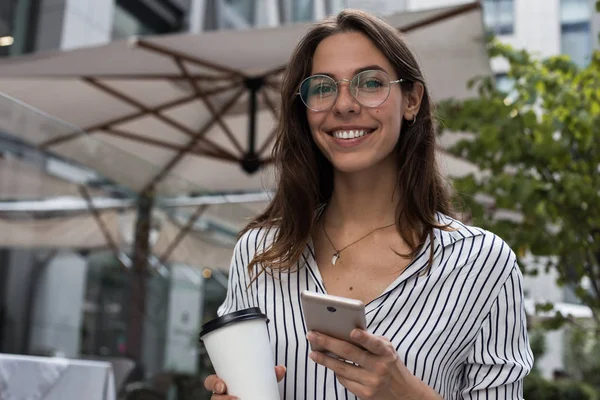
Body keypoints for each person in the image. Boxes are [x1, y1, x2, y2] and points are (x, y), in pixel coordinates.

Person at [204, 8, 533, 400]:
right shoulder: (259, 254)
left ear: (411, 100)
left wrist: (407, 393)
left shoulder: (482, 264)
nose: (343, 104)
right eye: (323, 87)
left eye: (370, 83)